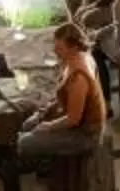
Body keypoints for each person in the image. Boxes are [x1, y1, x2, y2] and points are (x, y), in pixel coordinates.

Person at [16, 22, 108, 165]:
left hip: (86, 134)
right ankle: (44, 160)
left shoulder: (79, 77)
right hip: (75, 122)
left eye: (59, 47)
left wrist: (49, 126)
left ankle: (43, 163)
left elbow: (73, 119)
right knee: (29, 123)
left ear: (74, 47)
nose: (55, 50)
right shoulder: (75, 58)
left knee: (24, 143)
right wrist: (45, 113)